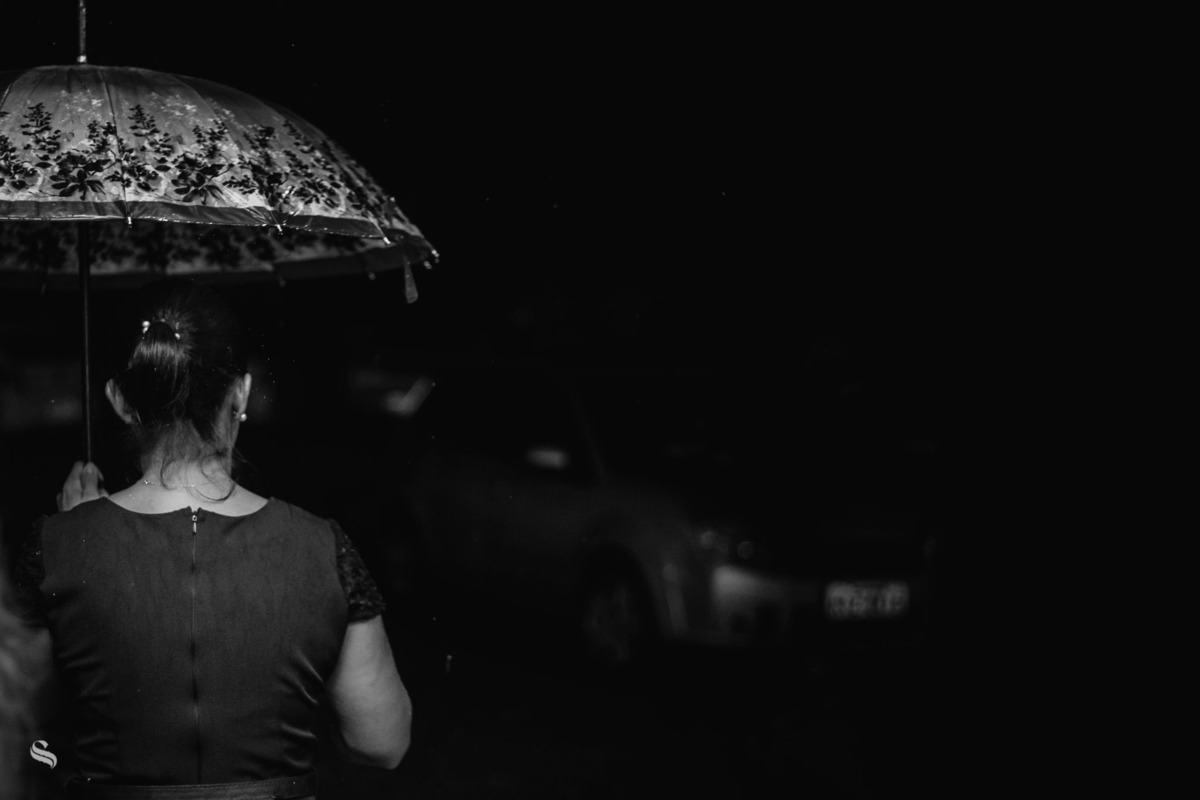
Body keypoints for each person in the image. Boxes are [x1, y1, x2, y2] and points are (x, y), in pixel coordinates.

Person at [12, 278, 411, 799]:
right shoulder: (323, 548)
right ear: (241, 393)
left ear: (118, 400)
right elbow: (381, 741)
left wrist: (81, 543)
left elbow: (20, 714)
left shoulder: (59, 547)